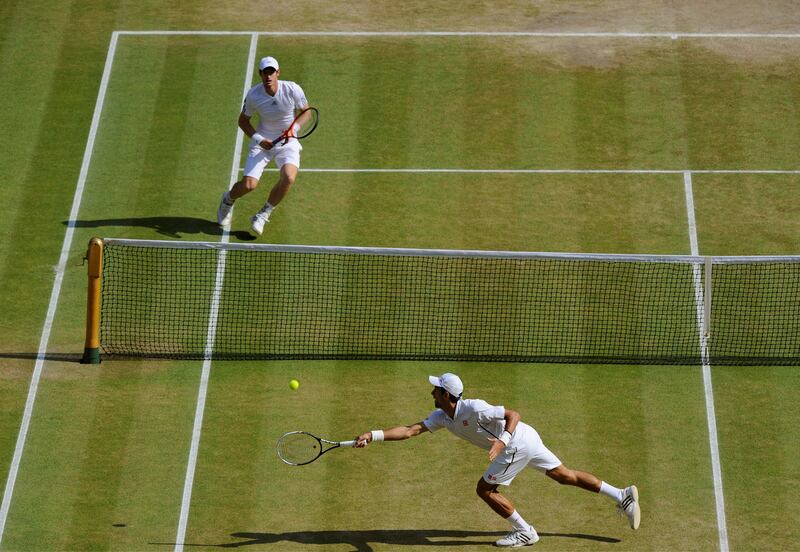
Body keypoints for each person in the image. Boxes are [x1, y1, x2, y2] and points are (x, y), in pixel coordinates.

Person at [355, 373, 640, 548]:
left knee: (484, 489)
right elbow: (409, 430)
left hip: (515, 442)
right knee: (562, 474)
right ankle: (621, 494)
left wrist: (502, 440)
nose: (431, 392)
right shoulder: (442, 417)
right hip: (526, 439)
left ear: (446, 394)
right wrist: (373, 434)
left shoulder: (475, 407)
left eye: (435, 389)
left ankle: (525, 532)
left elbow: (513, 414)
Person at [217, 56, 311, 236]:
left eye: (271, 71)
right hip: (262, 142)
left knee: (289, 177)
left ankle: (263, 213)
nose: (268, 76)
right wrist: (260, 139)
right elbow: (243, 121)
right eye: (264, 72)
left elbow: (306, 112)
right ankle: (227, 200)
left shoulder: (292, 89)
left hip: (288, 142)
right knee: (249, 185)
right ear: (260, 74)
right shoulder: (253, 95)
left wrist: (294, 129)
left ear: (278, 73)